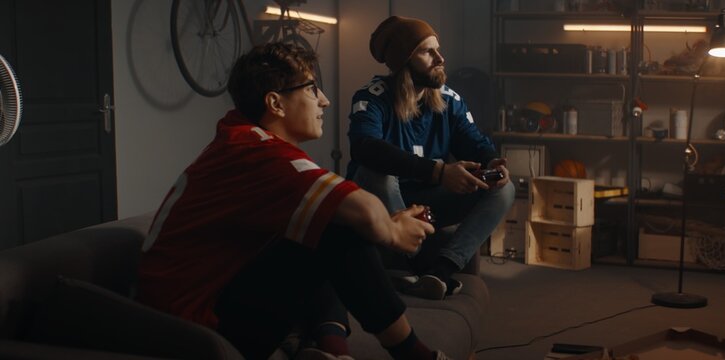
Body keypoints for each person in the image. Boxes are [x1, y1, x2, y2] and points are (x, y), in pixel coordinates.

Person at [137, 43, 451, 360]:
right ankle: (416, 356)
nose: (325, 101)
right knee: (337, 228)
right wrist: (394, 233)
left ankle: (330, 349)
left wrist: (388, 223)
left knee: (321, 224)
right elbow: (365, 210)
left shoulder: (240, 135)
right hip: (191, 331)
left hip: (191, 311)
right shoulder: (258, 153)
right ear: (276, 103)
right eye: (313, 89)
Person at [347, 16, 515, 300]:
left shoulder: (450, 99)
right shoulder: (372, 97)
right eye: (428, 52)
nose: (440, 58)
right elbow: (365, 147)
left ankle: (440, 270)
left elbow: (472, 140)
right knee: (376, 173)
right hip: (385, 206)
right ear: (403, 61)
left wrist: (491, 161)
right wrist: (438, 172)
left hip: (430, 202)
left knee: (504, 188)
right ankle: (415, 260)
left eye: (438, 49)